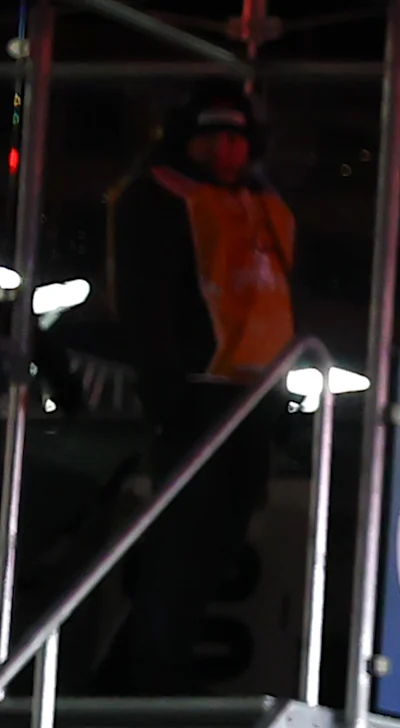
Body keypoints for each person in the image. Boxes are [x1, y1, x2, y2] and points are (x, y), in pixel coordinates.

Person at [86, 82, 295, 693]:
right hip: (198, 395)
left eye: (236, 139)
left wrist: (281, 403)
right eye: (214, 138)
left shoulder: (263, 208)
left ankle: (153, 666)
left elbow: (275, 302)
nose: (227, 151)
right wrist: (167, 392)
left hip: (254, 397)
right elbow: (145, 302)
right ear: (191, 140)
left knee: (220, 545)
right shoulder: (159, 197)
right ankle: (148, 674)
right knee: (180, 544)